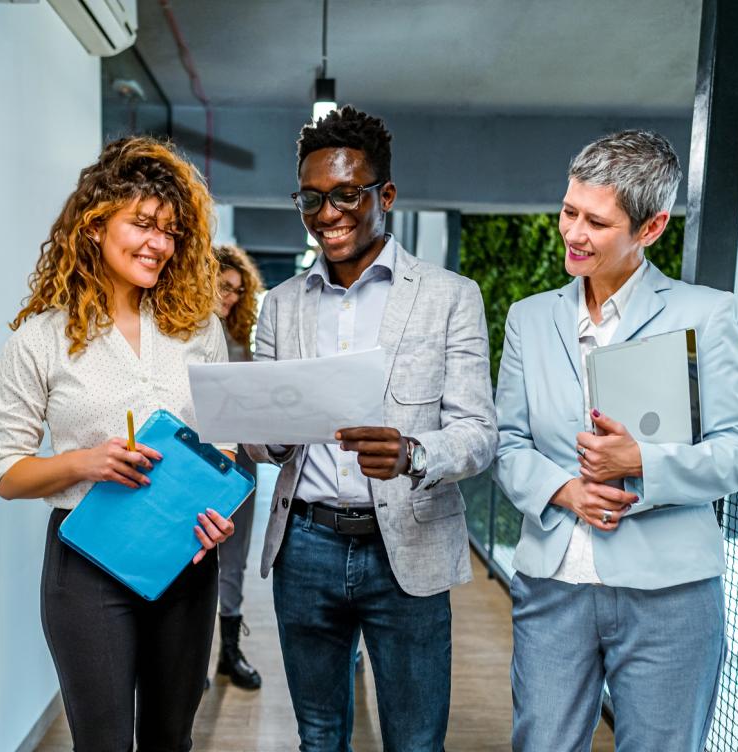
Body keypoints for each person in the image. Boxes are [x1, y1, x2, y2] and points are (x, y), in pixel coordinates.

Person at [493, 130, 738, 752]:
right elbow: (508, 443)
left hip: (671, 594)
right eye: (568, 212)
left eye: (596, 221)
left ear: (651, 228)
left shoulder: (707, 314)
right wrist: (564, 490)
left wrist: (642, 462)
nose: (573, 233)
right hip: (553, 583)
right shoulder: (529, 318)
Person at [244, 106, 497, 751]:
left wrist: (413, 451)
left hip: (407, 546)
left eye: (346, 195)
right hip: (305, 545)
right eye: (312, 199)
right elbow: (265, 437)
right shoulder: (279, 305)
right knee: (319, 737)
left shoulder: (450, 296)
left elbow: (477, 433)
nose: (329, 214)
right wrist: (263, 433)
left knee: (414, 741)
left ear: (384, 195)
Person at [0, 136, 237, 752]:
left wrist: (216, 511)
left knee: (170, 740)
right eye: (143, 224)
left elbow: (222, 446)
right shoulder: (41, 338)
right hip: (87, 566)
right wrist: (84, 462)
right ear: (95, 226)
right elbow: (6, 471)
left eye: (172, 231)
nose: (159, 243)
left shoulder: (198, 328)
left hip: (186, 558)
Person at [211, 243, 266, 690]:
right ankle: (188, 656)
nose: (230, 297)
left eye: (237, 290)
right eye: (224, 286)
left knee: (234, 556)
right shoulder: (179, 333)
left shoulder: (242, 339)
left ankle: (229, 652)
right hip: (195, 459)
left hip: (242, 459)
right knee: (190, 557)